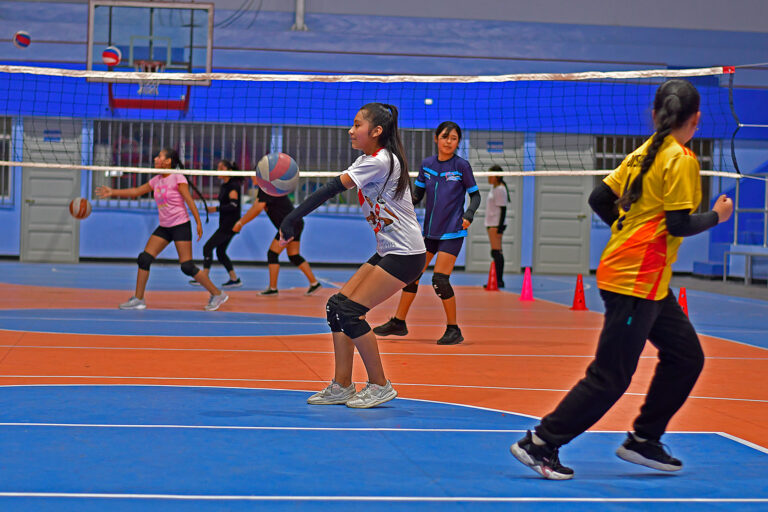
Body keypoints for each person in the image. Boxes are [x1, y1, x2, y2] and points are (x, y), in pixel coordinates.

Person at [510, 79, 733, 480]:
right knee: (611, 375)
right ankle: (541, 442)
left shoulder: (646, 151)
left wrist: (628, 232)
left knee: (686, 357)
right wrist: (718, 215)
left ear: (656, 114)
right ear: (697, 119)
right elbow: (678, 224)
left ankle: (644, 440)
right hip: (635, 280)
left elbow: (600, 199)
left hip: (645, 279)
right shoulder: (680, 158)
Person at [279, 102, 426, 408]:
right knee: (336, 307)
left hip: (406, 254)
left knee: (350, 312)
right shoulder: (371, 159)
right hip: (389, 250)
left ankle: (380, 384)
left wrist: (293, 217)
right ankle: (342, 385)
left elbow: (333, 187)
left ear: (376, 131)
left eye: (357, 124)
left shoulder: (380, 160)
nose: (351, 130)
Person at [372, 121, 481, 345]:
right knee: (412, 275)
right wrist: (397, 208)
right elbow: (417, 196)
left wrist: (468, 215)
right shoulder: (428, 165)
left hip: (452, 232)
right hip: (430, 232)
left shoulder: (462, 166)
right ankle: (399, 322)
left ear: (458, 142)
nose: (448, 142)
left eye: (453, 138)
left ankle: (453, 329)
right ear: (436, 139)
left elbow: (476, 196)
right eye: (445, 137)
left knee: (440, 280)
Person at [96, 148, 229, 311]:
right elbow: (137, 191)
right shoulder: (157, 179)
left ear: (167, 161)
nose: (155, 158)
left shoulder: (177, 178)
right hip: (165, 227)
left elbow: (189, 200)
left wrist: (198, 222)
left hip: (180, 225)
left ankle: (217, 293)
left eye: (159, 156)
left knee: (187, 266)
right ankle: (138, 299)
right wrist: (112, 192)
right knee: (144, 258)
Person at [232, 177, 321, 296]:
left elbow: (257, 208)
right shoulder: (268, 189)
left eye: (253, 174)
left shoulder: (266, 189)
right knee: (294, 256)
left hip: (289, 226)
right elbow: (257, 205)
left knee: (272, 254)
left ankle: (273, 288)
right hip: (296, 223)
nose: (251, 177)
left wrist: (240, 223)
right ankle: (314, 283)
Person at [190, 159, 244, 288]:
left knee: (207, 247)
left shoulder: (233, 186)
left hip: (230, 225)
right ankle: (234, 279)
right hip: (224, 223)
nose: (218, 170)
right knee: (220, 252)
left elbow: (233, 205)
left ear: (229, 171)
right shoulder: (224, 186)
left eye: (221, 168)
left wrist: (216, 209)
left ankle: (203, 276)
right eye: (217, 167)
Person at [484, 165, 509, 288]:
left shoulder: (500, 189)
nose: (489, 177)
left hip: (495, 224)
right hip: (492, 223)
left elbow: (503, 209)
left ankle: (499, 280)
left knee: (497, 251)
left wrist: (499, 228)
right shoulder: (495, 188)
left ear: (497, 176)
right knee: (495, 251)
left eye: (491, 175)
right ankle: (498, 279)